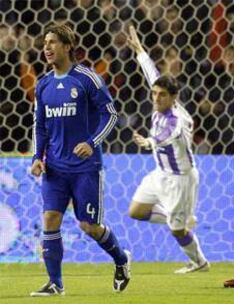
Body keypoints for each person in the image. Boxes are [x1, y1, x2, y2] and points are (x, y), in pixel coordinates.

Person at [30, 23, 131, 296]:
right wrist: (37, 157)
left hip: (86, 167)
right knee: (50, 218)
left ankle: (121, 259)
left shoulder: (87, 78)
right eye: (45, 42)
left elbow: (110, 115)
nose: (47, 47)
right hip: (55, 167)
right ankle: (55, 283)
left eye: (52, 42)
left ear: (67, 46)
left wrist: (91, 142)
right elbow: (39, 125)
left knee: (89, 226)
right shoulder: (43, 85)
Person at [126, 25, 209, 274]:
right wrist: (140, 51)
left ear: (174, 98)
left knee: (177, 230)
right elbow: (152, 74)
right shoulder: (159, 101)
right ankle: (180, 217)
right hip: (160, 173)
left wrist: (148, 142)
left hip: (181, 179)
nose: (156, 98)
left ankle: (199, 262)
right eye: (154, 94)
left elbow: (166, 136)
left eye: (162, 95)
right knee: (136, 211)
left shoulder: (178, 119)